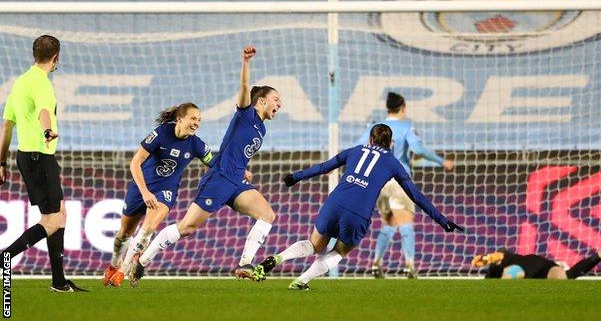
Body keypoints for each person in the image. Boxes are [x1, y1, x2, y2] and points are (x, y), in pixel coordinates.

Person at [127, 45, 281, 286]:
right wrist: (246, 62)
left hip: (237, 180)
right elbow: (243, 88)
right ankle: (142, 261)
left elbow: (238, 150)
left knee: (267, 214)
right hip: (219, 179)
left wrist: (243, 168)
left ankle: (244, 265)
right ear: (260, 101)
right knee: (187, 227)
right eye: (275, 99)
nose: (279, 104)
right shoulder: (246, 114)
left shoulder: (261, 127)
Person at [253, 124, 463, 290]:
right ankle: (301, 281)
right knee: (339, 251)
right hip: (358, 213)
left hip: (334, 203)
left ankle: (278, 258)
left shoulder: (354, 151)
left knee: (314, 244)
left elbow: (323, 168)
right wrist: (443, 221)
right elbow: (416, 196)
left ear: (370, 140)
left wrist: (294, 177)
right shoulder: (393, 163)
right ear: (391, 143)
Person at [0, 35, 86, 292]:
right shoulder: (41, 84)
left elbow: (6, 126)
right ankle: (5, 258)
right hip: (40, 157)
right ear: (56, 56)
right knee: (51, 221)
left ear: (34, 54)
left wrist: (1, 162)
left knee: (61, 214)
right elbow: (44, 112)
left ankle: (59, 282)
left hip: (28, 157)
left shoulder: (21, 82)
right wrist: (48, 131)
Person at [101, 103, 216, 287]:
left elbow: (215, 164)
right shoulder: (161, 133)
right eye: (193, 118)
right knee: (125, 233)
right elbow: (135, 163)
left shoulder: (197, 145)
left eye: (199, 120)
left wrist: (239, 171)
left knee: (148, 228)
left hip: (166, 191)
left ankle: (123, 271)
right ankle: (115, 264)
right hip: (141, 188)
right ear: (179, 119)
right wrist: (145, 192)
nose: (197, 123)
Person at [356, 92, 454, 278]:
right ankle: (409, 266)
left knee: (388, 223)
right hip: (398, 180)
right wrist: (442, 162)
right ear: (402, 108)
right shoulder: (406, 126)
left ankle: (376, 264)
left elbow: (358, 146)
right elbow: (418, 149)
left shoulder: (376, 127)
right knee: (406, 222)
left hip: (378, 183)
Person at [472, 241, 601, 279]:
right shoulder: (492, 275)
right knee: (566, 277)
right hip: (540, 268)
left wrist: (486, 258)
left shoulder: (502, 262)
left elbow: (499, 255)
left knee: (511, 273)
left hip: (528, 265)